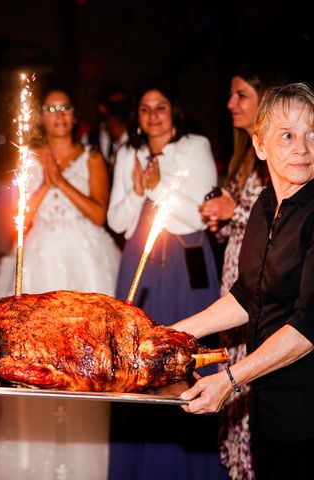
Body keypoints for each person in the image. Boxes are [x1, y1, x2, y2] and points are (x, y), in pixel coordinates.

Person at [174, 82, 314, 480]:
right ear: (260, 145)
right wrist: (174, 334)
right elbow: (246, 295)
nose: (302, 148)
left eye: (313, 134)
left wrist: (231, 380)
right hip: (269, 406)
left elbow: (309, 325)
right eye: (287, 135)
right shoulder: (264, 205)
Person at [0, 88, 120, 479]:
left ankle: (85, 459)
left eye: (65, 107)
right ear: (42, 116)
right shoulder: (29, 159)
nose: (58, 115)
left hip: (85, 261)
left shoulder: (92, 156)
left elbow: (98, 214)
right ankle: (35, 458)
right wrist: (45, 181)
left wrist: (62, 179)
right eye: (51, 108)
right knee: (34, 357)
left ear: (74, 115)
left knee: (87, 359)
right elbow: (20, 221)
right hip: (41, 258)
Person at [106, 79, 227, 479]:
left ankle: (195, 464)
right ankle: (140, 465)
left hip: (187, 260)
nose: (153, 115)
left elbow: (199, 215)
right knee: (136, 361)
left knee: (186, 356)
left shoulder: (196, 146)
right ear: (137, 117)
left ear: (173, 110)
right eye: (145, 108)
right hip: (141, 263)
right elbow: (118, 221)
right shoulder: (129, 152)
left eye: (160, 106)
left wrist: (157, 191)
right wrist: (141, 192)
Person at [197, 61, 286, 479]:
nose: (230, 103)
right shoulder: (241, 157)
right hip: (237, 284)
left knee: (250, 376)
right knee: (232, 369)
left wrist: (236, 211)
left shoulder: (282, 160)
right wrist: (222, 222)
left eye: (241, 96)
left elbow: (279, 222)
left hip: (266, 289)